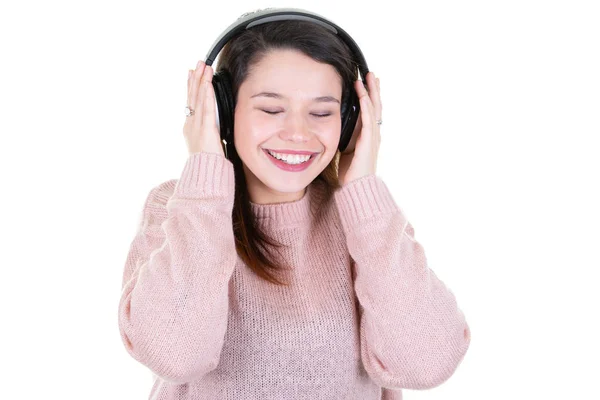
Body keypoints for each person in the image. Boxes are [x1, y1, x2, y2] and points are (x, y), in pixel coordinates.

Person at [118, 9, 471, 400]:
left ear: (352, 120)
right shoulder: (177, 208)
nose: (297, 134)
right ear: (223, 111)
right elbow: (175, 355)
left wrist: (365, 193)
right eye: (271, 109)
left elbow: (426, 363)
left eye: (321, 112)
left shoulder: (365, 222)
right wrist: (205, 182)